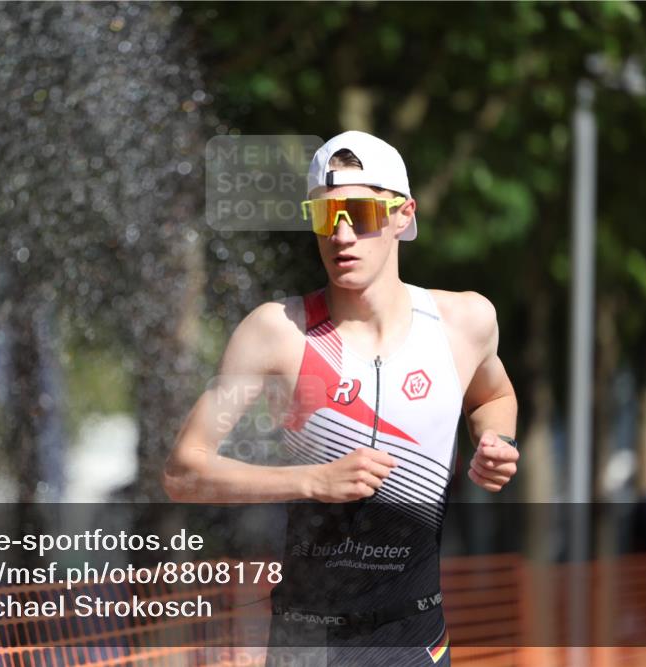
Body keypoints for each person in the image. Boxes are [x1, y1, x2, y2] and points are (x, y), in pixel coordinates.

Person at [163, 130, 520, 666]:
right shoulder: (278, 333)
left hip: (415, 639)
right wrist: (309, 481)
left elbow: (494, 394)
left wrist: (495, 438)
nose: (343, 234)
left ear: (403, 216)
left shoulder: (464, 322)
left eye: (360, 212)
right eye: (326, 215)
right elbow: (183, 473)